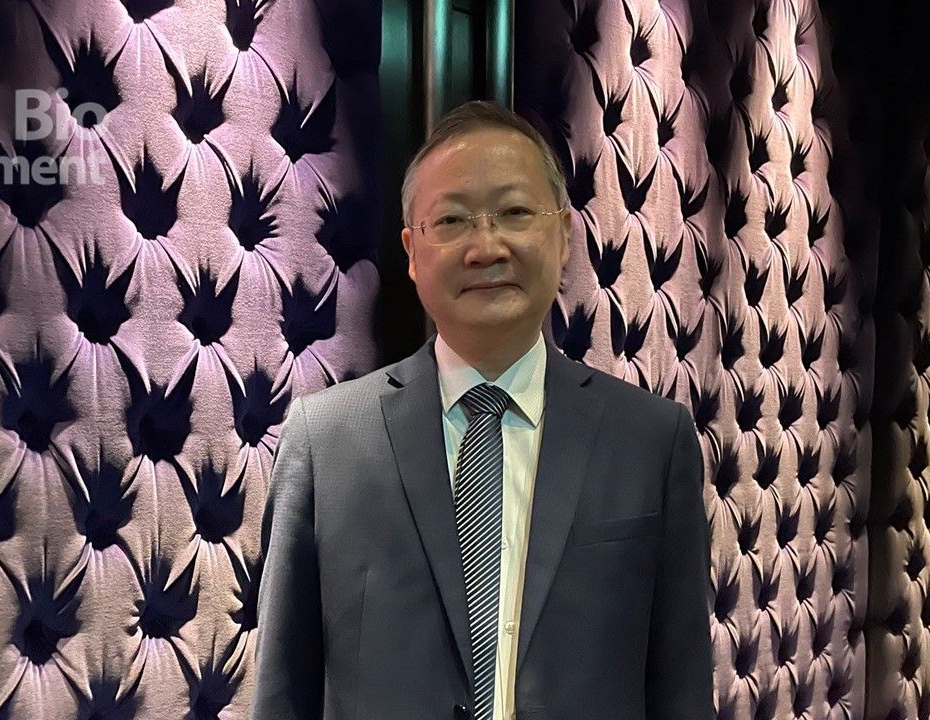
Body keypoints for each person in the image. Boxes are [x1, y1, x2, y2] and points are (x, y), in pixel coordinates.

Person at [252, 100, 713, 720]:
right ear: (412, 252)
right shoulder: (324, 441)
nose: (486, 247)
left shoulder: (652, 441)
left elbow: (682, 690)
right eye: (452, 220)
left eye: (515, 213)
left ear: (564, 233)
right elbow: (283, 692)